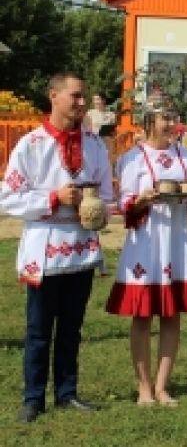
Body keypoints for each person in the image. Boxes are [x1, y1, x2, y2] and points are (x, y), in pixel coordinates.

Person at [0, 72, 113, 422]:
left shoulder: (94, 145)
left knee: (71, 327)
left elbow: (107, 196)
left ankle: (67, 392)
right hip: (44, 247)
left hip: (80, 247)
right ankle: (33, 397)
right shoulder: (32, 145)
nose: (81, 103)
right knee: (38, 328)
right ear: (54, 95)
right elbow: (7, 197)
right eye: (75, 96)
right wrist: (53, 197)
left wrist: (96, 210)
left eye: (83, 97)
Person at [105, 97, 187, 405]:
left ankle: (162, 386)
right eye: (165, 118)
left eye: (173, 117)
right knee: (142, 315)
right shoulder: (132, 159)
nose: (171, 124)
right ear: (149, 121)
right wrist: (142, 199)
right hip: (146, 241)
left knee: (171, 314)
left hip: (176, 239)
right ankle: (143, 387)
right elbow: (124, 203)